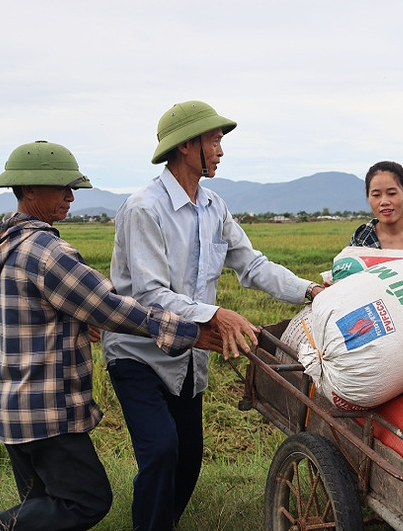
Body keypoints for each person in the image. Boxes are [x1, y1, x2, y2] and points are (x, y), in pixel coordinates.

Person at [101, 100, 324, 531]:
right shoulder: (144, 207)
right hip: (138, 351)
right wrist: (216, 313)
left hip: (188, 356)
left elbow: (252, 265)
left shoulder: (214, 207)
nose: (221, 150)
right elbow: (150, 294)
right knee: (162, 450)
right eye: (215, 139)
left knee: (188, 459)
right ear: (186, 146)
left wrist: (311, 290)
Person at [0, 141, 217, 531]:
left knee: (39, 510)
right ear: (28, 191)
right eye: (62, 188)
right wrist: (190, 332)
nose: (71, 197)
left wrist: (76, 319)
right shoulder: (46, 251)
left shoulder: (4, 246)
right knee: (86, 500)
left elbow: (46, 309)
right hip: (46, 412)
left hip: (12, 408)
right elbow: (110, 306)